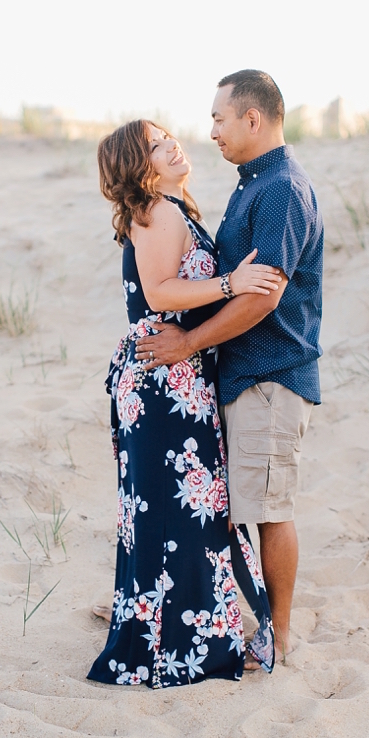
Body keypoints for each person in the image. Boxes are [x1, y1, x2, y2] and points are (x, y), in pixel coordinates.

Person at [136, 70, 323, 664]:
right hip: (242, 376)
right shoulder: (252, 186)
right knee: (246, 506)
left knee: (269, 511)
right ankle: (243, 620)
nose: (210, 130)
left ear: (252, 119)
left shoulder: (281, 190)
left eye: (219, 118)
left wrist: (187, 346)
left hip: (270, 375)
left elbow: (261, 295)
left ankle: (280, 638)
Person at [87, 119, 281, 688]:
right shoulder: (156, 211)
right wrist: (233, 285)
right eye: (155, 143)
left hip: (177, 378)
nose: (173, 143)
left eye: (168, 134)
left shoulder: (174, 210)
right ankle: (176, 645)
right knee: (178, 513)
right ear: (138, 165)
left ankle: (184, 637)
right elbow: (160, 293)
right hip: (162, 382)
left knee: (184, 512)